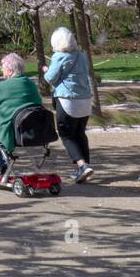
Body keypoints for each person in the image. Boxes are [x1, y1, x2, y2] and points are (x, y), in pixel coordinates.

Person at [44, 26, 95, 183]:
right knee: (80, 133)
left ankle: (82, 165)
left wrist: (46, 70)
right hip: (85, 99)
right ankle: (83, 168)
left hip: (68, 100)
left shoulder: (59, 57)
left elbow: (50, 78)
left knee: (66, 135)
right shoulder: (82, 56)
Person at [0, 52, 42, 168]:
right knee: (6, 124)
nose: (1, 70)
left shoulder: (3, 86)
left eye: (2, 67)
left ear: (10, 71)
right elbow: (38, 103)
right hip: (28, 129)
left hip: (8, 129)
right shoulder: (31, 84)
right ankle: (3, 163)